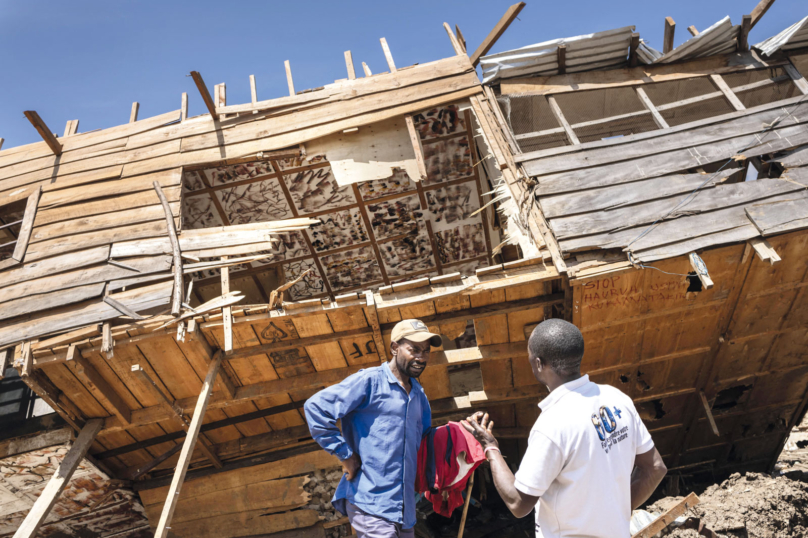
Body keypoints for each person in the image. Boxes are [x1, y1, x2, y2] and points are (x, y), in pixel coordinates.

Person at [462, 319, 667, 538]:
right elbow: (655, 468)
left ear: (539, 364)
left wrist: (490, 447)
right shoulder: (617, 398)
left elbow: (518, 502)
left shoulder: (552, 424)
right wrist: (619, 513)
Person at [304, 319, 442, 538]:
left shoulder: (418, 395)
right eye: (414, 349)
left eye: (426, 351)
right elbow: (316, 408)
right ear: (395, 348)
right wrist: (344, 454)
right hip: (371, 503)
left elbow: (425, 440)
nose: (421, 357)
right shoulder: (369, 382)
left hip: (403, 512)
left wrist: (463, 432)